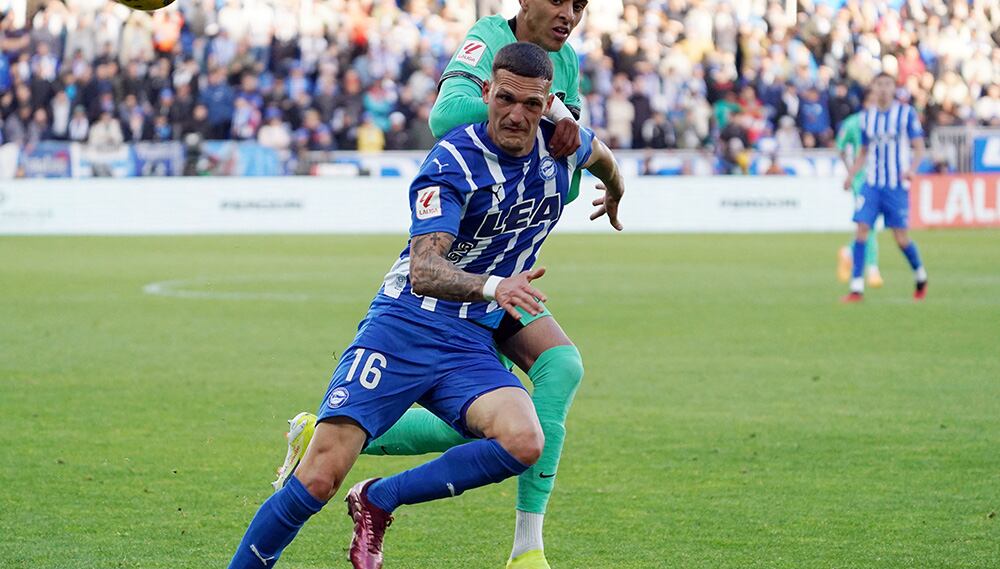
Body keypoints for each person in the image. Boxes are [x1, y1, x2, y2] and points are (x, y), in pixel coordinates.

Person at [227, 43, 624, 569]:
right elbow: (424, 270)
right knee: (320, 476)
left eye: (531, 105)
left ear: (548, 103)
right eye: (505, 98)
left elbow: (605, 160)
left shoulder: (562, 146)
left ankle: (380, 498)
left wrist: (614, 191)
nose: (515, 114)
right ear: (486, 92)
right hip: (403, 327)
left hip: (467, 341)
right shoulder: (453, 161)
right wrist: (493, 288)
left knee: (525, 439)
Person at [841, 73, 927, 302]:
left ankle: (920, 275)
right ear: (873, 88)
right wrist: (851, 175)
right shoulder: (867, 118)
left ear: (893, 88)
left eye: (888, 84)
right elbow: (863, 152)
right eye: (879, 84)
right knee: (861, 229)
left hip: (895, 184)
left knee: (900, 238)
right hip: (872, 183)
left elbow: (919, 147)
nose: (883, 89)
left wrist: (912, 169)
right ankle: (856, 287)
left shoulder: (905, 114)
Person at [835, 90, 882, 288]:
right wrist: (851, 174)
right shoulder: (854, 123)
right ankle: (872, 269)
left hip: (881, 179)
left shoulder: (883, 122)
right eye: (871, 101)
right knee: (867, 224)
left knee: (870, 224)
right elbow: (840, 147)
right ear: (864, 103)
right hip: (862, 180)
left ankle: (848, 252)